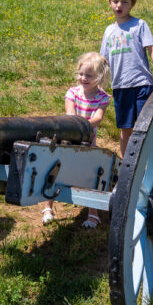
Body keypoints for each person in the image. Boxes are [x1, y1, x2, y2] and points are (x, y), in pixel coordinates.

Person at [42, 52, 111, 228]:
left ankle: (93, 213)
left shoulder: (102, 98)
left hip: (88, 141)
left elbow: (98, 118)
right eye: (81, 74)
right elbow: (70, 113)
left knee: (91, 176)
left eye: (89, 75)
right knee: (55, 169)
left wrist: (84, 125)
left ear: (99, 77)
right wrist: (77, 126)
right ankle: (47, 207)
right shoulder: (72, 92)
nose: (83, 78)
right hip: (68, 138)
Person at [100, 0, 153, 157]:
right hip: (120, 86)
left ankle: (151, 161)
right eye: (115, 1)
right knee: (125, 129)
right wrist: (100, 85)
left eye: (124, 2)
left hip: (142, 83)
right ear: (110, 2)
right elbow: (103, 60)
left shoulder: (139, 25)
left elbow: (152, 48)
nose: (119, 5)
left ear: (132, 4)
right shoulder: (109, 31)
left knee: (146, 126)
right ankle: (125, 165)